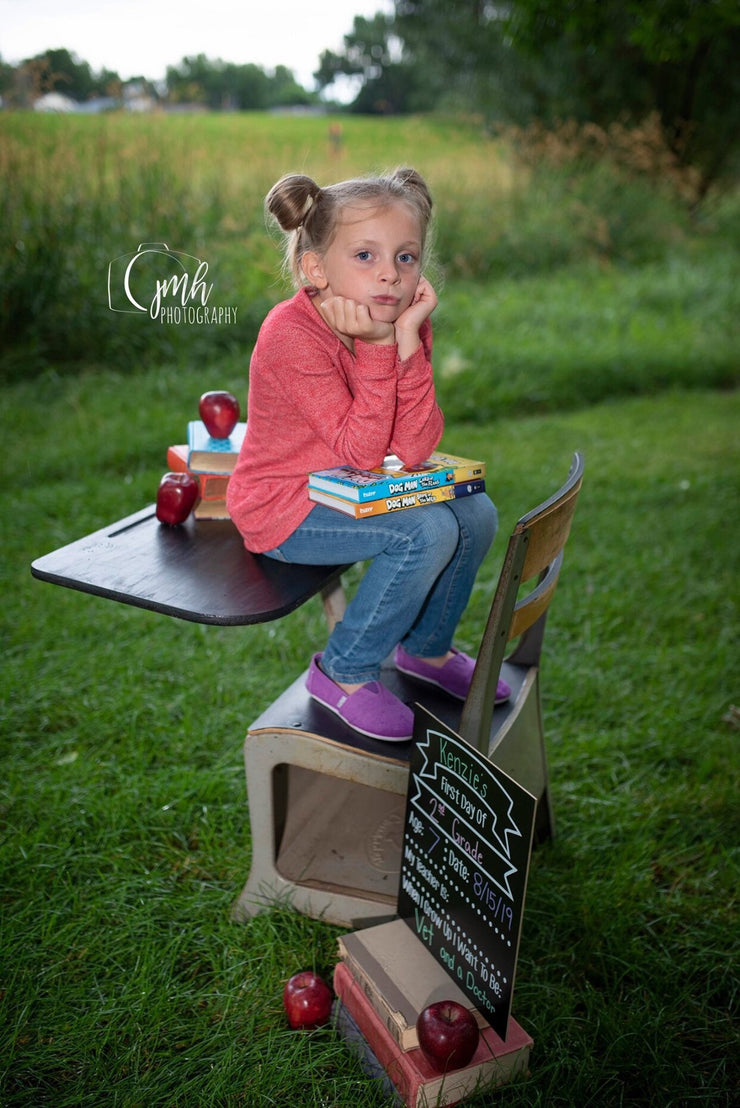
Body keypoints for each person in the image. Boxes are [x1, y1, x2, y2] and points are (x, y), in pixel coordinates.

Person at [226, 167, 510, 742]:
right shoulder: (291, 334)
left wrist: (407, 340)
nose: (389, 273)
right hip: (286, 503)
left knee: (476, 514)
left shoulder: (397, 320)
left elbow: (412, 448)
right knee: (425, 531)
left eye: (405, 258)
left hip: (348, 488)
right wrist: (382, 351)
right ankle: (344, 671)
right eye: (364, 255)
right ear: (315, 268)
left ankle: (424, 652)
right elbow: (361, 452)